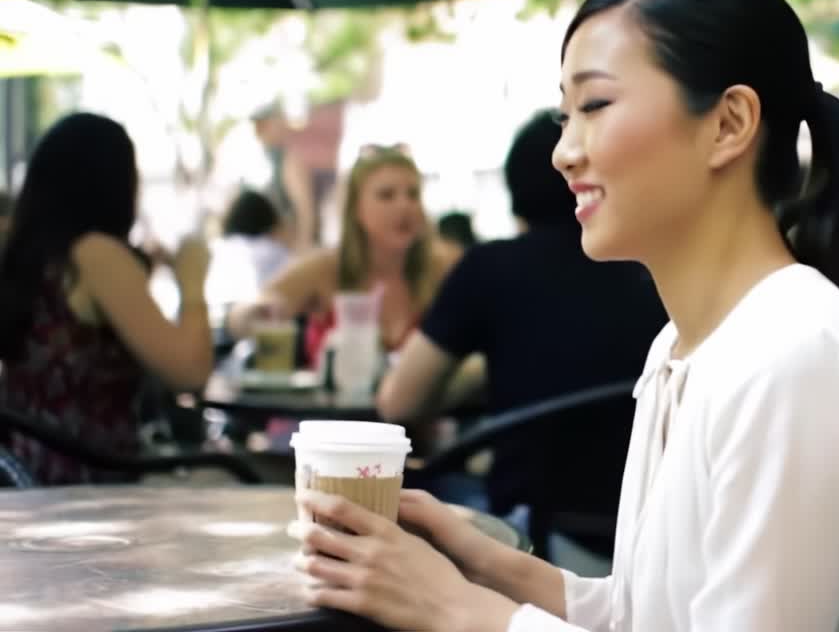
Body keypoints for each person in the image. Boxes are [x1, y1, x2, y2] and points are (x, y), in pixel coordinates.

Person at [291, 0, 839, 632]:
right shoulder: (680, 348)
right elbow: (645, 616)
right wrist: (485, 561)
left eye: (596, 105)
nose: (564, 152)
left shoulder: (795, 359)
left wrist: (455, 610)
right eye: (563, 116)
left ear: (729, 124)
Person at [377, 109, 667, 543]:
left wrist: (477, 375)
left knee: (415, 490)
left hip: (530, 531)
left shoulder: (491, 266)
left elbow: (399, 403)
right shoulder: (655, 265)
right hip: (648, 529)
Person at [0, 113, 212, 484]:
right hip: (91, 492)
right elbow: (189, 373)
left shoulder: (28, 255)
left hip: (22, 480)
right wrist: (193, 283)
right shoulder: (96, 254)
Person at [228, 145, 446, 367]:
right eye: (386, 195)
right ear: (356, 208)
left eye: (413, 194)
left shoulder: (442, 269)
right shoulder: (324, 267)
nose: (405, 206)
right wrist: (258, 313)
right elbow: (242, 315)